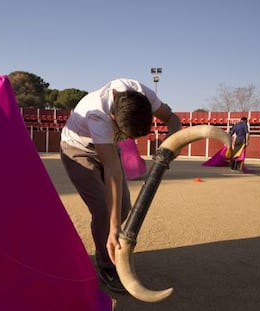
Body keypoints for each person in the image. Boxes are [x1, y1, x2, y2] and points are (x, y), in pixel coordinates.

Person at [60, 78, 181, 292]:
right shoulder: (97, 114)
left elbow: (172, 118)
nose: (126, 138)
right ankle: (106, 265)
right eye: (125, 135)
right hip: (78, 151)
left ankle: (110, 245)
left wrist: (172, 140)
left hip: (109, 150)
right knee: (104, 210)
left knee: (123, 207)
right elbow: (113, 173)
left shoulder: (142, 93)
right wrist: (114, 228)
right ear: (113, 117)